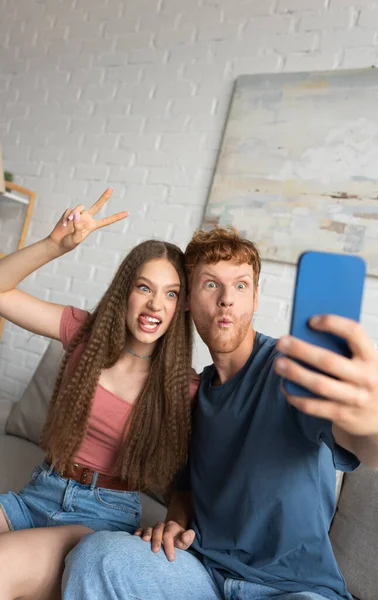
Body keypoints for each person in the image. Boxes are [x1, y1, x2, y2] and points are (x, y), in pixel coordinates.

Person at [62, 227, 378, 600]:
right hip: (203, 576)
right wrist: (175, 520)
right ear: (187, 299)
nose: (226, 300)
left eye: (240, 286)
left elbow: (372, 447)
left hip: (291, 589)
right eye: (210, 285)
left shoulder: (288, 372)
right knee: (97, 556)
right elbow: (185, 486)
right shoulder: (191, 393)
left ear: (255, 298)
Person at [0, 188, 197, 600]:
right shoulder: (83, 335)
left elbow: (188, 479)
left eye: (171, 293)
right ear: (125, 292)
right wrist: (55, 245)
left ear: (181, 307)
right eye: (144, 287)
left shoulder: (186, 389)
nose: (155, 304)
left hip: (100, 517)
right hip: (39, 492)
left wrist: (175, 520)